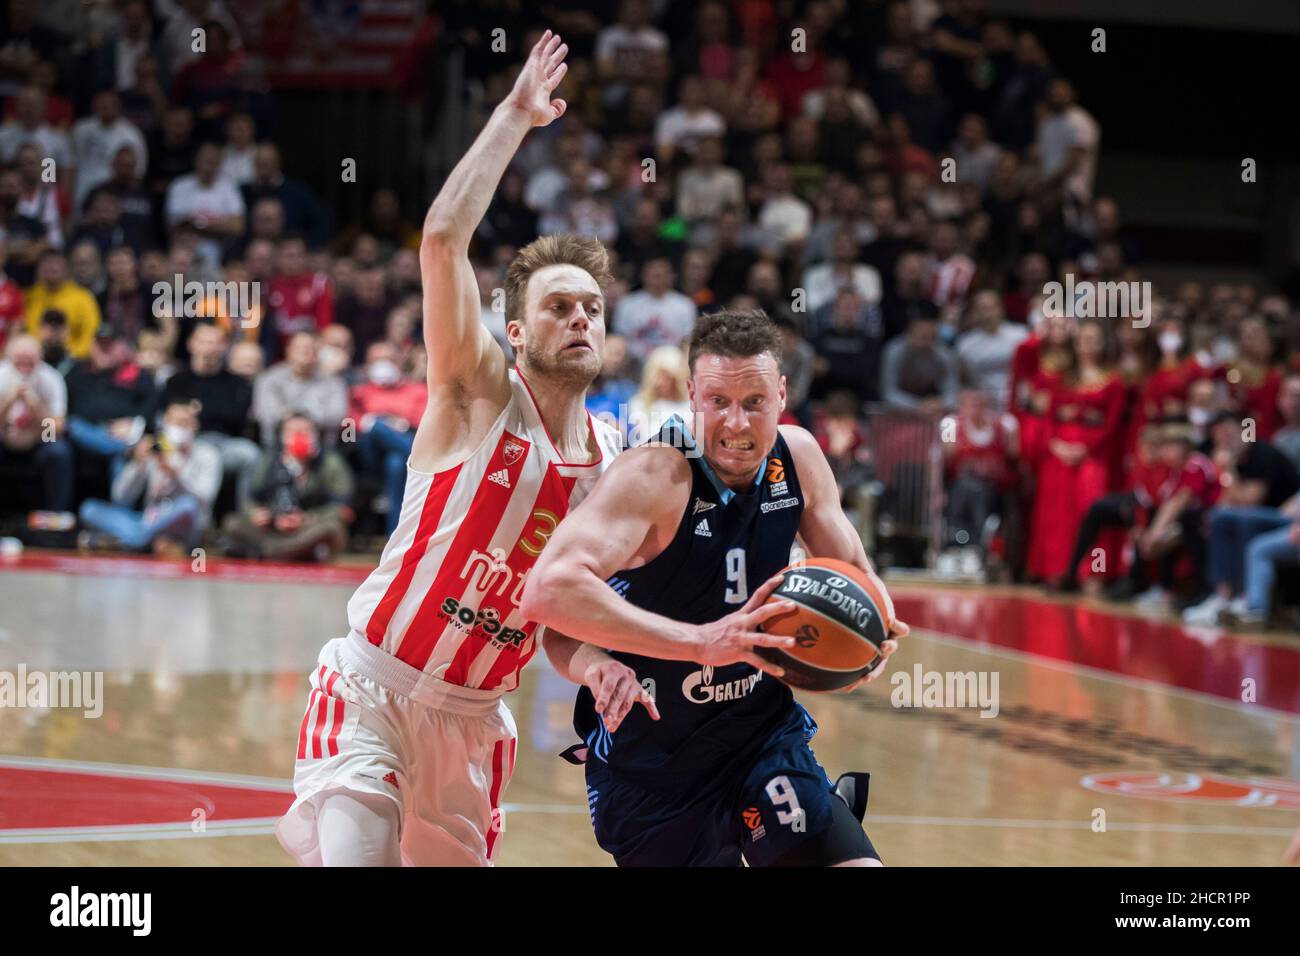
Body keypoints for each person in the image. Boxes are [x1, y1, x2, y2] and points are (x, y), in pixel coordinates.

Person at [276, 32, 637, 868]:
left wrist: (597, 665)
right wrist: (515, 116)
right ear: (514, 332)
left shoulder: (616, 464)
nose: (580, 318)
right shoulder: (478, 394)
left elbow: (562, 616)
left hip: (476, 720)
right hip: (375, 685)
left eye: (591, 307)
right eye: (557, 307)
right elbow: (442, 239)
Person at [521, 309, 909, 867]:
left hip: (761, 739)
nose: (736, 423)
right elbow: (548, 595)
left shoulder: (797, 458)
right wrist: (687, 646)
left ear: (781, 394)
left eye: (754, 402)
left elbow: (853, 569)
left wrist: (874, 633)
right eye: (718, 402)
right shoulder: (653, 477)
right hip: (653, 769)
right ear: (692, 397)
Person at [78, 399, 220, 555]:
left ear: (195, 425)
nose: (179, 428)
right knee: (89, 508)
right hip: (149, 521)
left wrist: (175, 473)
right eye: (175, 422)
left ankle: (133, 541)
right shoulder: (155, 450)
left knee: (188, 505)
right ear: (164, 423)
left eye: (184, 423)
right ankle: (144, 540)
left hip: (186, 525)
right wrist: (138, 464)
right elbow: (121, 497)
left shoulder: (207, 454)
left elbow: (205, 498)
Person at [219, 413, 354, 561]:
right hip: (272, 528)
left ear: (316, 435)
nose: (299, 436)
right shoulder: (267, 460)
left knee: (332, 528)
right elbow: (249, 500)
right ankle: (294, 552)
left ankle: (267, 552)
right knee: (232, 523)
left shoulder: (331, 462)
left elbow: (341, 508)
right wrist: (258, 515)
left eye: (306, 431)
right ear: (282, 436)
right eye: (292, 431)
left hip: (308, 528)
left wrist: (306, 518)